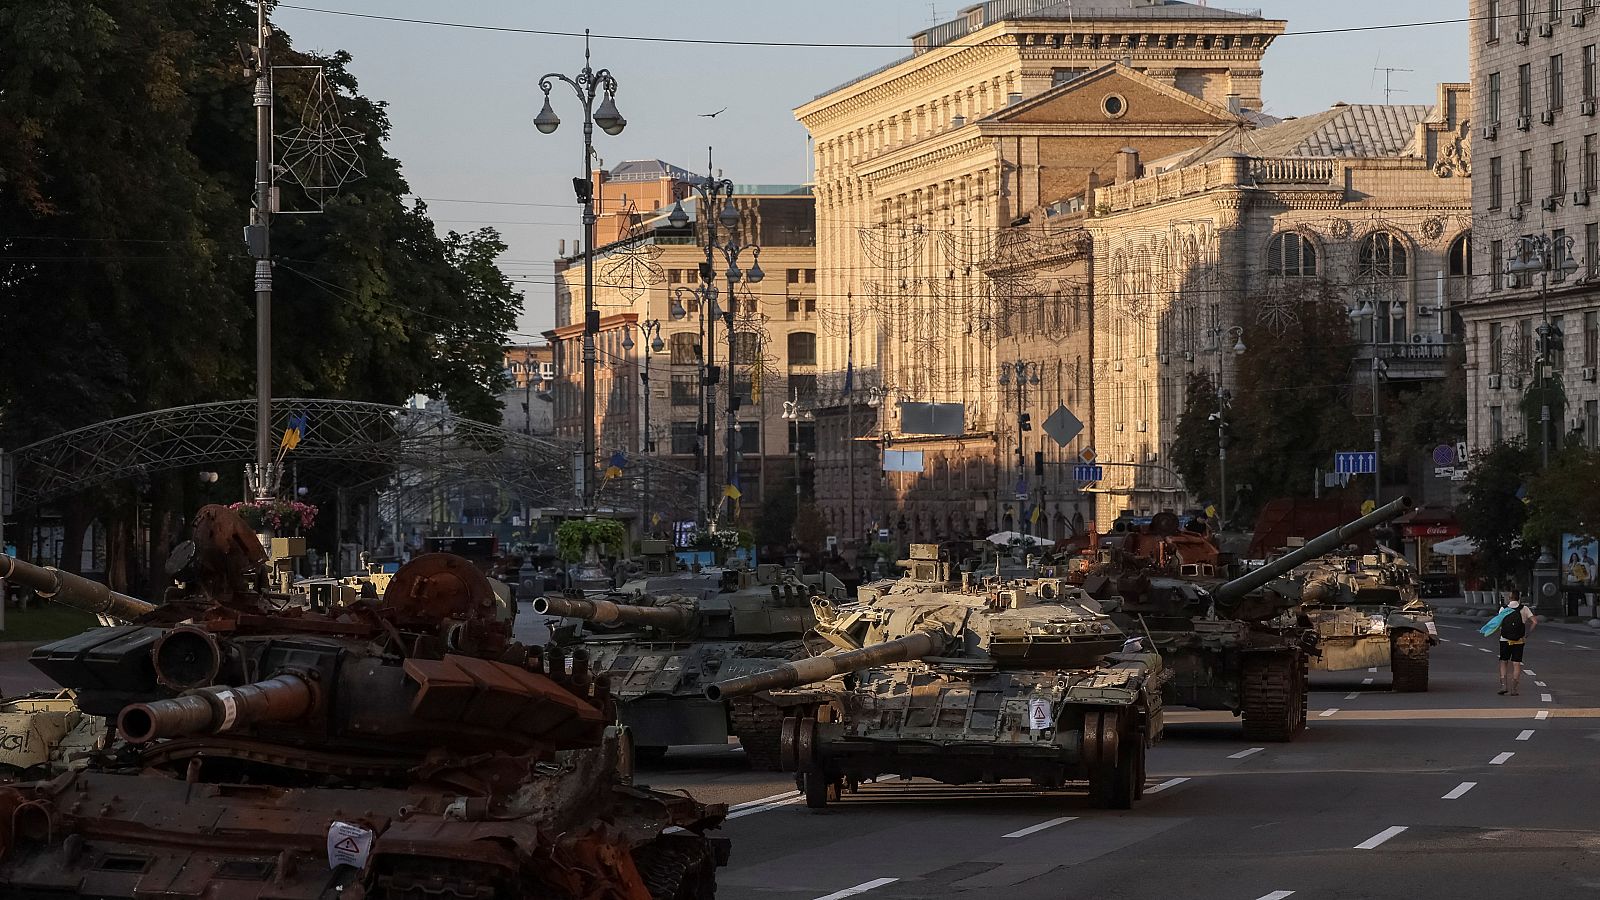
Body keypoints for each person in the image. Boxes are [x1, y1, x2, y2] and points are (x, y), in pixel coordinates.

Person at [1496, 592, 1537, 695]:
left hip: (1504, 640)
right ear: (1519, 599)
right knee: (1516, 663)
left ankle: (1504, 686)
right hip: (1519, 640)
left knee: (1503, 662)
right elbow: (1535, 622)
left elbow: (1498, 623)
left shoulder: (1503, 609)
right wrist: (1527, 634)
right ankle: (1514, 689)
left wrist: (1501, 632)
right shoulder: (1524, 609)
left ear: (1509, 598)